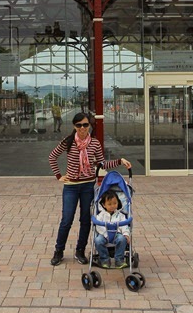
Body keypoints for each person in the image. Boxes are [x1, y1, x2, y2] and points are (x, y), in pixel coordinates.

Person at [48, 112, 132, 266]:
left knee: (86, 220)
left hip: (88, 186)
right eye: (79, 125)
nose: (82, 128)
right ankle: (58, 251)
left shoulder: (94, 143)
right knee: (66, 220)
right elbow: (52, 157)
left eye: (85, 125)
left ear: (89, 126)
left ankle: (80, 251)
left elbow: (102, 164)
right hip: (71, 187)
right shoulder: (68, 141)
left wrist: (120, 161)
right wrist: (59, 176)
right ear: (74, 126)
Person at [94, 189, 130, 269]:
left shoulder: (120, 215)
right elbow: (98, 226)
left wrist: (126, 234)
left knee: (122, 239)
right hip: (104, 235)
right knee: (98, 240)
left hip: (117, 234)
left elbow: (124, 226)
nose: (112, 206)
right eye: (109, 204)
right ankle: (105, 259)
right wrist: (105, 234)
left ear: (118, 203)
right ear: (104, 205)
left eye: (115, 203)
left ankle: (119, 260)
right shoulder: (101, 215)